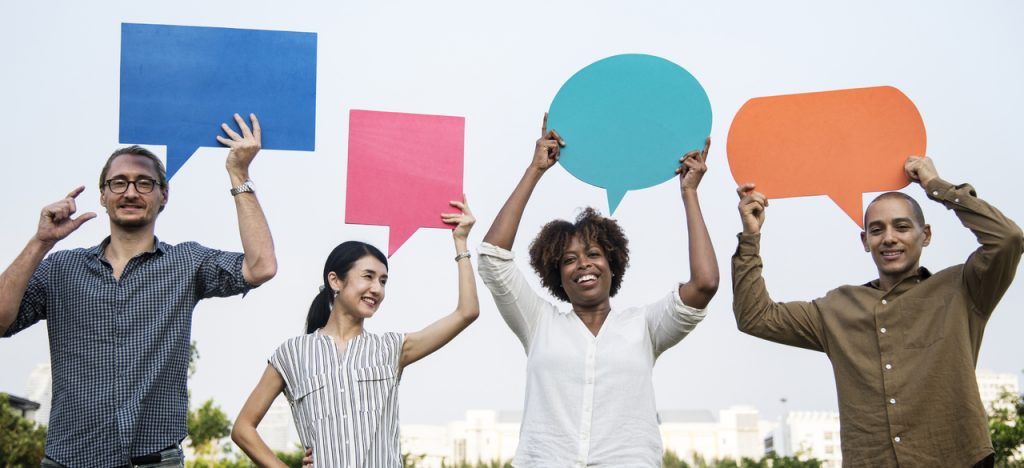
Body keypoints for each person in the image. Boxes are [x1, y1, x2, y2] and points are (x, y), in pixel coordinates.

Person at [0, 113, 277, 467]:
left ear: (163, 195)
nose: (130, 192)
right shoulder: (60, 269)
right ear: (103, 196)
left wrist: (239, 174)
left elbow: (261, 266)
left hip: (154, 460)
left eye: (144, 183)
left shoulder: (186, 263)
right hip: (69, 459)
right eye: (119, 183)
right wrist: (40, 243)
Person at [733, 156, 1023, 467]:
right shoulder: (837, 309)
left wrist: (935, 186)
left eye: (901, 227)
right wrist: (751, 236)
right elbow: (756, 316)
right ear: (865, 241)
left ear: (925, 235)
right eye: (876, 230)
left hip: (957, 458)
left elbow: (1008, 239)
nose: (889, 238)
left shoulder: (963, 289)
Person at [477, 114, 719, 466]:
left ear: (612, 264)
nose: (584, 264)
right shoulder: (538, 322)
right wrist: (535, 170)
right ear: (556, 275)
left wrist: (690, 193)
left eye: (593, 254)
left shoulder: (645, 327)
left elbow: (705, 284)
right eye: (569, 260)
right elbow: (492, 259)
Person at [231, 197, 479, 467]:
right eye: (368, 276)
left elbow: (467, 312)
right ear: (335, 280)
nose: (377, 289)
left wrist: (461, 243)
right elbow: (243, 428)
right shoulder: (292, 353)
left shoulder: (392, 348)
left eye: (383, 281)